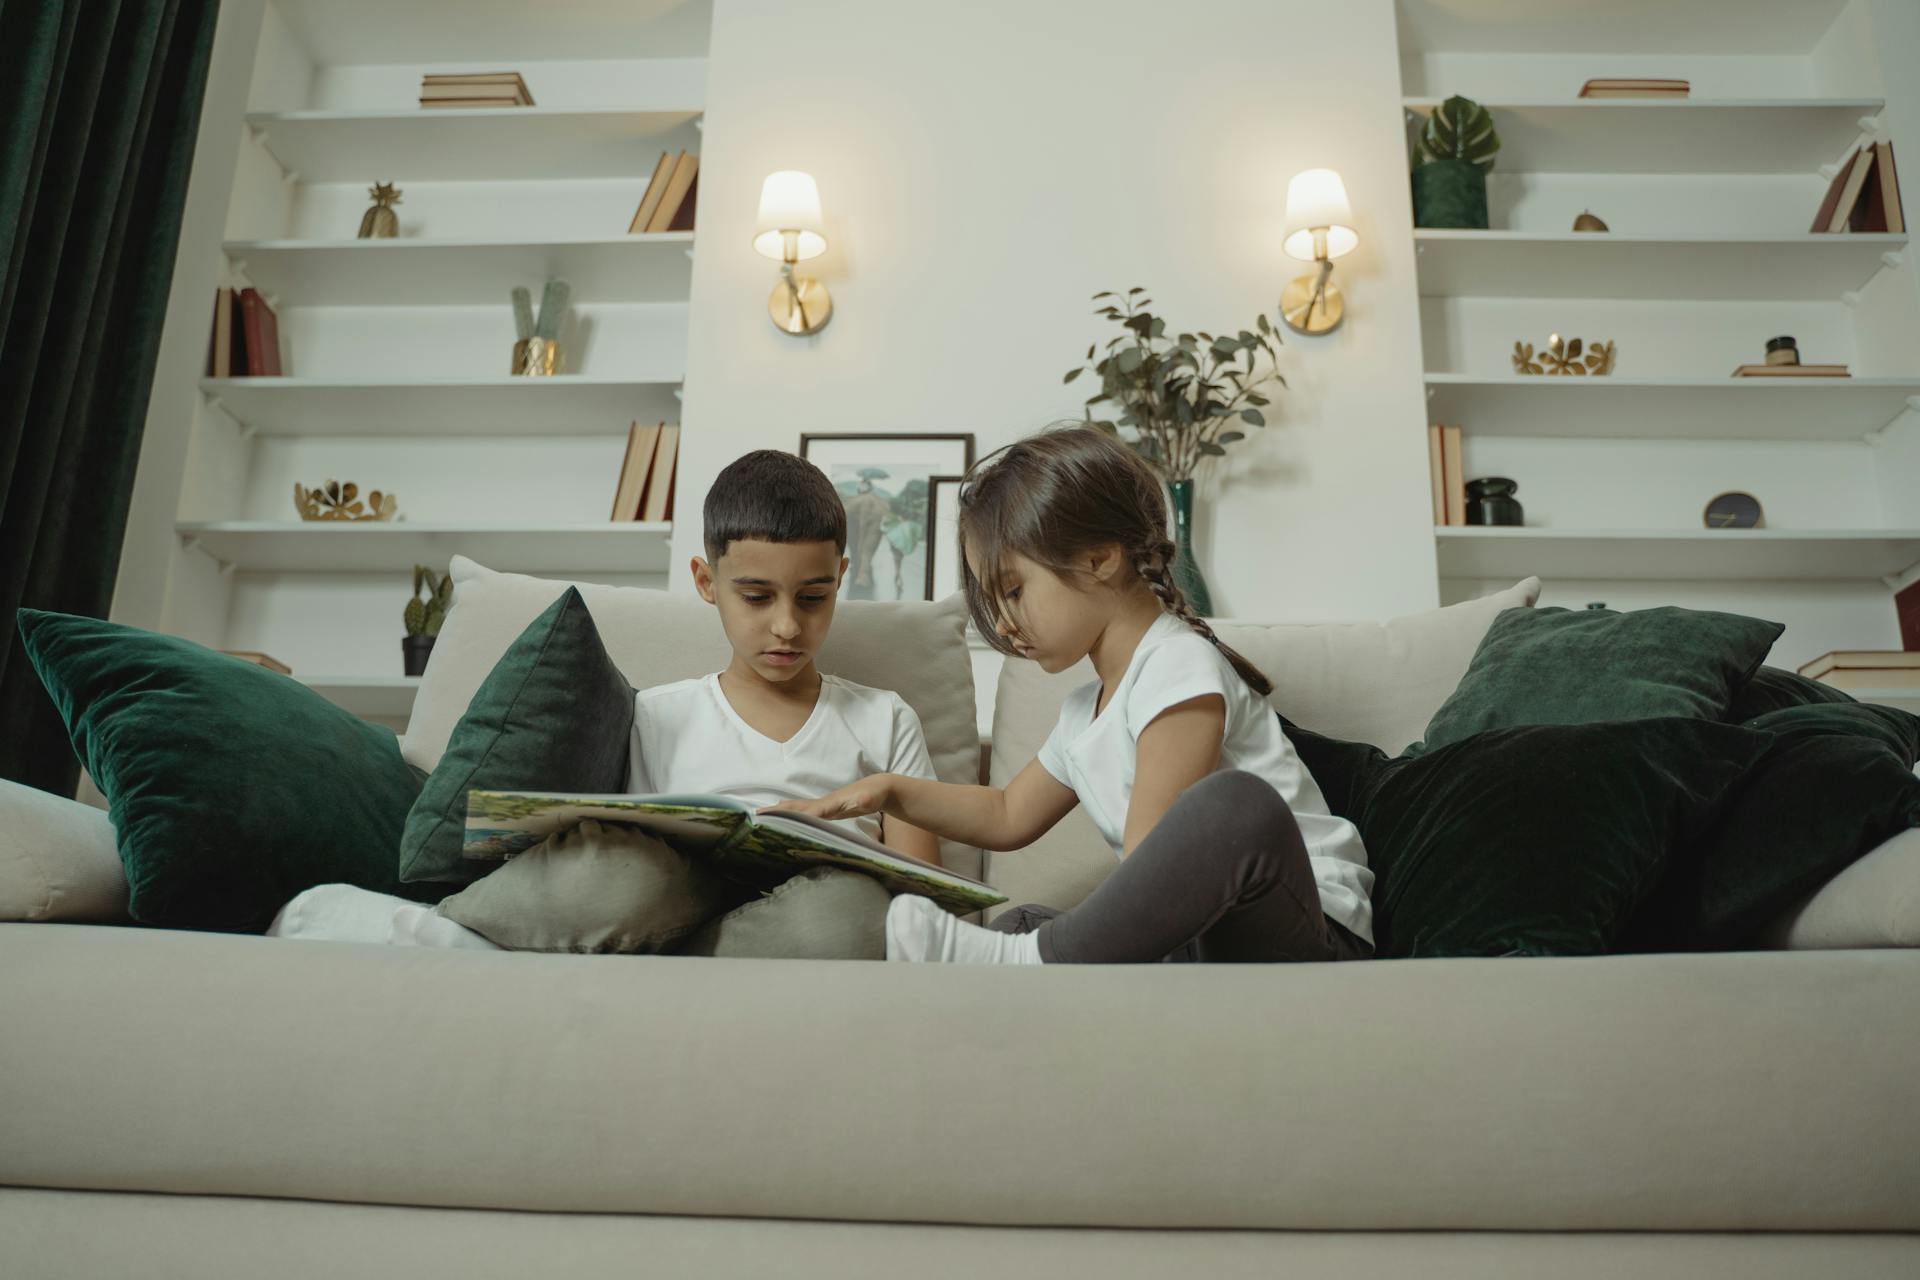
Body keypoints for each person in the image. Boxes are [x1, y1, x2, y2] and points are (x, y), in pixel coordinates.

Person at [271, 449, 940, 951]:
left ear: (841, 579)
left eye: (814, 597)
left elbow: (928, 901)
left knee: (852, 914)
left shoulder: (885, 718)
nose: (788, 625)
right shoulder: (654, 713)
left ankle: (632, 972)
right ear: (707, 581)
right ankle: (442, 935)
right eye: (757, 597)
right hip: (658, 907)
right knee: (617, 873)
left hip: (798, 929)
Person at [769, 426, 1373, 966]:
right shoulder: (1085, 711)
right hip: (1203, 939)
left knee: (1236, 804)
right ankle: (1028, 960)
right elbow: (1007, 813)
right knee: (1021, 923)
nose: (1004, 621)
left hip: (1307, 932)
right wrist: (887, 790)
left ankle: (1035, 962)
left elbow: (1152, 850)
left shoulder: (1178, 663)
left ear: (1099, 559)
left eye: (1013, 589)